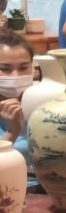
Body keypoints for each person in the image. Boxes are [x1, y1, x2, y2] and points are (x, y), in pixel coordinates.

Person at [0, 30, 35, 184]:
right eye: (5, 69)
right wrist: (12, 131)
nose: (15, 75)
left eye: (23, 68)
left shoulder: (42, 102)